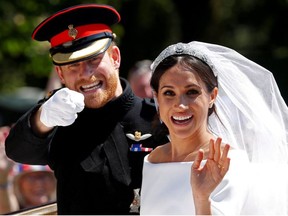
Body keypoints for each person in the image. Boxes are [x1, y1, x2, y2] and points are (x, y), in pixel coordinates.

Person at [5, 3, 167, 215]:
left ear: (115, 58)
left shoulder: (158, 116)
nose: (85, 73)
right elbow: (17, 149)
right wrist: (42, 118)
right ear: (60, 74)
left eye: (93, 60)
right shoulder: (59, 122)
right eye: (72, 66)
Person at [140, 41, 288, 215]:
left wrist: (202, 199)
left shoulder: (229, 162)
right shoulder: (153, 159)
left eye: (192, 92)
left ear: (212, 96)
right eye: (169, 93)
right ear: (157, 98)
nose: (180, 105)